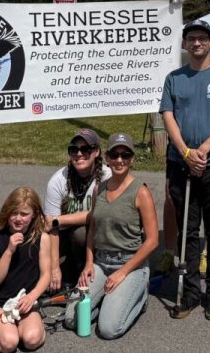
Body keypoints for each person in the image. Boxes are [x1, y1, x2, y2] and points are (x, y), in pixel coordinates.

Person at [160, 19, 210, 320]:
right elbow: (168, 117)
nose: (196, 43)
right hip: (180, 162)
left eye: (202, 38)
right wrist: (185, 152)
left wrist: (204, 150)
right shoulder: (173, 78)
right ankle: (191, 290)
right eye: (191, 38)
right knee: (187, 230)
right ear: (184, 44)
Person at [65, 133, 159, 338]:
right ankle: (107, 303)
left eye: (125, 155)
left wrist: (122, 272)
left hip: (130, 264)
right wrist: (88, 263)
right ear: (107, 158)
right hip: (100, 262)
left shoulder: (140, 192)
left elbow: (152, 241)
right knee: (71, 319)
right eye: (114, 155)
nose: (119, 160)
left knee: (108, 329)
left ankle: (140, 297)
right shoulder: (99, 188)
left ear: (132, 159)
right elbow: (92, 227)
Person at [0, 187, 51, 352]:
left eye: (24, 214)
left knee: (32, 340)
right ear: (6, 213)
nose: (18, 219)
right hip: (0, 301)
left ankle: (32, 323)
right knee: (9, 343)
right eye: (14, 213)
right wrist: (9, 251)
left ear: (34, 214)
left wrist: (33, 296)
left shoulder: (42, 239)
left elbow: (46, 275)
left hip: (26, 300)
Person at [44, 129, 111, 291]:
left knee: (81, 234)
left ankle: (86, 273)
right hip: (63, 235)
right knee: (41, 250)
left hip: (96, 233)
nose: (79, 154)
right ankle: (65, 272)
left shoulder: (106, 177)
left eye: (85, 149)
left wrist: (60, 220)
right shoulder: (58, 180)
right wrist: (54, 269)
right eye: (74, 150)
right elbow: (49, 226)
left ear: (96, 152)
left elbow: (98, 216)